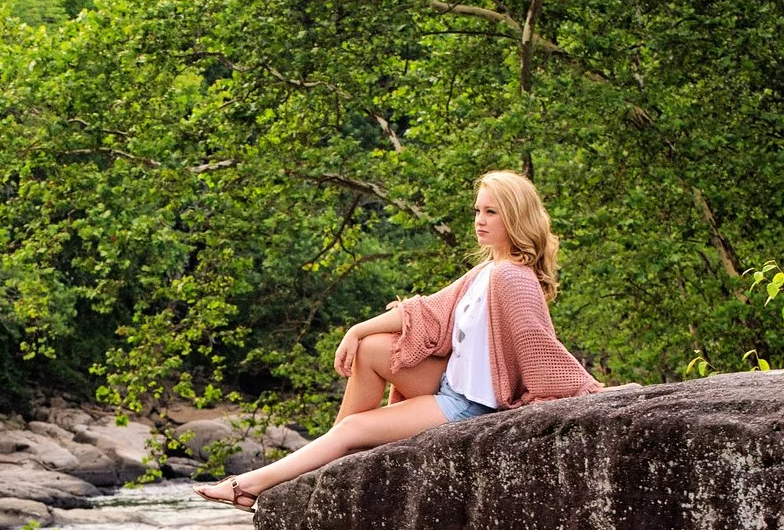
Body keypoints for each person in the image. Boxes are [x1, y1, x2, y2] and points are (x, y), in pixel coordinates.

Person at [199, 170, 600, 508]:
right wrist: (356, 331)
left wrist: (591, 391)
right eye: (477, 210)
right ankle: (329, 463)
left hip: (470, 406)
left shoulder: (513, 278)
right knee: (371, 350)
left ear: (514, 217)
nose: (479, 220)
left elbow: (540, 347)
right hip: (448, 383)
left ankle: (249, 485)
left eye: (491, 212)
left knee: (353, 429)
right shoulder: (487, 271)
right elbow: (425, 311)